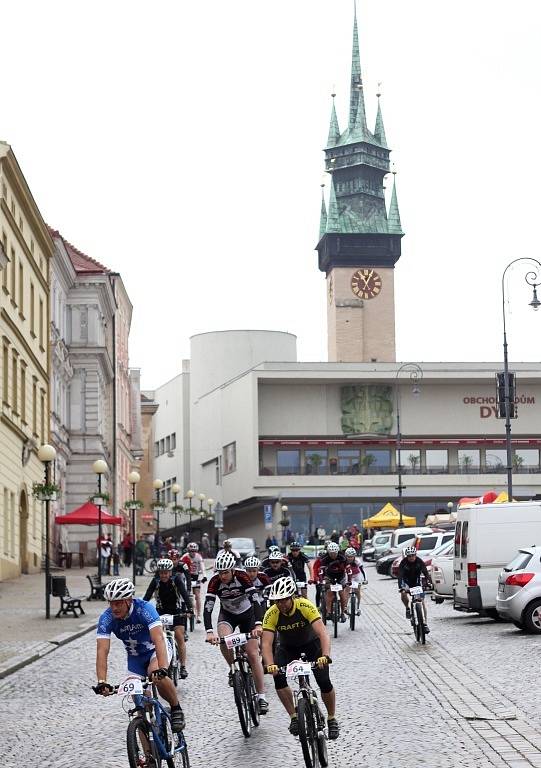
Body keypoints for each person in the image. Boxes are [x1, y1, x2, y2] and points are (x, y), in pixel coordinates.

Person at [94, 578, 185, 732]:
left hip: (155, 651)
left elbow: (159, 639)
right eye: (111, 603)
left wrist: (162, 668)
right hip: (135, 658)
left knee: (154, 673)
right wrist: (102, 681)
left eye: (118, 603)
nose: (114, 608)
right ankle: (148, 753)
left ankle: (176, 708)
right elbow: (102, 651)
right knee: (139, 705)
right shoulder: (107, 618)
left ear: (129, 600)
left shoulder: (144, 609)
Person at [261, 576, 339, 740]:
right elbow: (267, 644)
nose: (281, 604)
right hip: (287, 648)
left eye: (284, 600)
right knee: (278, 679)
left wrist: (325, 656)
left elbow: (322, 633)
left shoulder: (305, 606)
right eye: (277, 601)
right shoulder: (272, 613)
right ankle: (294, 717)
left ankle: (331, 718)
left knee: (324, 680)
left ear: (292, 597)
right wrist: (270, 665)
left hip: (312, 645)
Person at [204, 551, 269, 714]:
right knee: (223, 640)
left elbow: (256, 601)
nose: (223, 576)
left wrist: (258, 625)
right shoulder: (214, 582)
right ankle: (232, 668)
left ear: (233, 570)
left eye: (226, 572)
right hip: (228, 615)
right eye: (220, 573)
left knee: (253, 655)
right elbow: (208, 608)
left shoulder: (242, 577)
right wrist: (209, 632)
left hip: (248, 615)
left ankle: (262, 697)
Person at [143, 558, 193, 679]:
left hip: (176, 611)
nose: (164, 575)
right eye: (161, 572)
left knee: (179, 636)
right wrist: (141, 611)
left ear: (171, 572)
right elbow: (146, 597)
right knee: (159, 637)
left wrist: (190, 609)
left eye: (166, 572)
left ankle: (183, 666)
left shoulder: (177, 580)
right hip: (160, 611)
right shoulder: (155, 581)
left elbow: (185, 595)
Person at [398, 545, 433, 633]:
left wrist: (429, 582)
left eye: (413, 555)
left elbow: (425, 573)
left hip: (416, 582)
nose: (411, 557)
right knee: (403, 593)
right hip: (407, 582)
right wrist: (401, 587)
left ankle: (424, 624)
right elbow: (400, 576)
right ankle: (407, 608)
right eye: (409, 556)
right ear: (407, 556)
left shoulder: (419, 561)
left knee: (422, 601)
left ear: (415, 555)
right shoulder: (403, 563)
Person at [318, 542, 348, 622]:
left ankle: (342, 613)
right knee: (329, 592)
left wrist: (349, 580)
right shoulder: (324, 559)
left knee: (342, 593)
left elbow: (348, 568)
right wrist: (321, 580)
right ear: (328, 552)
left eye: (335, 553)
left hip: (340, 576)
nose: (333, 555)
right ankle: (329, 612)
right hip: (329, 576)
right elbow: (321, 571)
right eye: (331, 553)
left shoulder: (343, 557)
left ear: (337, 551)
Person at [181, 543, 207, 623]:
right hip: (187, 577)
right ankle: (193, 610)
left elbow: (202, 567)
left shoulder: (198, 557)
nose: (193, 553)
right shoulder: (184, 557)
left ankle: (199, 615)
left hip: (196, 577)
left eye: (194, 551)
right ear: (188, 551)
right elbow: (180, 567)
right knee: (188, 595)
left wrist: (204, 576)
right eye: (191, 551)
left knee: (198, 596)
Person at [344, 547, 365, 615]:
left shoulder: (357, 561)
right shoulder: (344, 561)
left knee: (357, 590)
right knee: (347, 590)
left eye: (351, 557)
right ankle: (345, 606)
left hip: (356, 576)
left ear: (354, 556)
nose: (350, 558)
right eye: (348, 557)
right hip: (348, 575)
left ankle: (358, 607)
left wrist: (365, 579)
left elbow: (362, 570)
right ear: (346, 556)